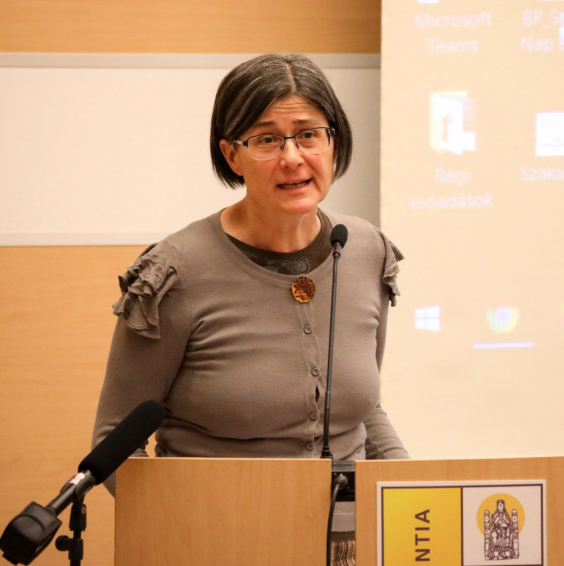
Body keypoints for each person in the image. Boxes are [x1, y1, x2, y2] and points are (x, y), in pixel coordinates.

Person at [90, 54, 409, 553]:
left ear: (334, 142)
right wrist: (186, 537)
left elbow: (361, 414)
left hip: (347, 546)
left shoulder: (364, 250)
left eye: (309, 134)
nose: (293, 157)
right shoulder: (175, 271)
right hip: (214, 544)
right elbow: (115, 440)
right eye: (266, 139)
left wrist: (413, 498)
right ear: (232, 156)